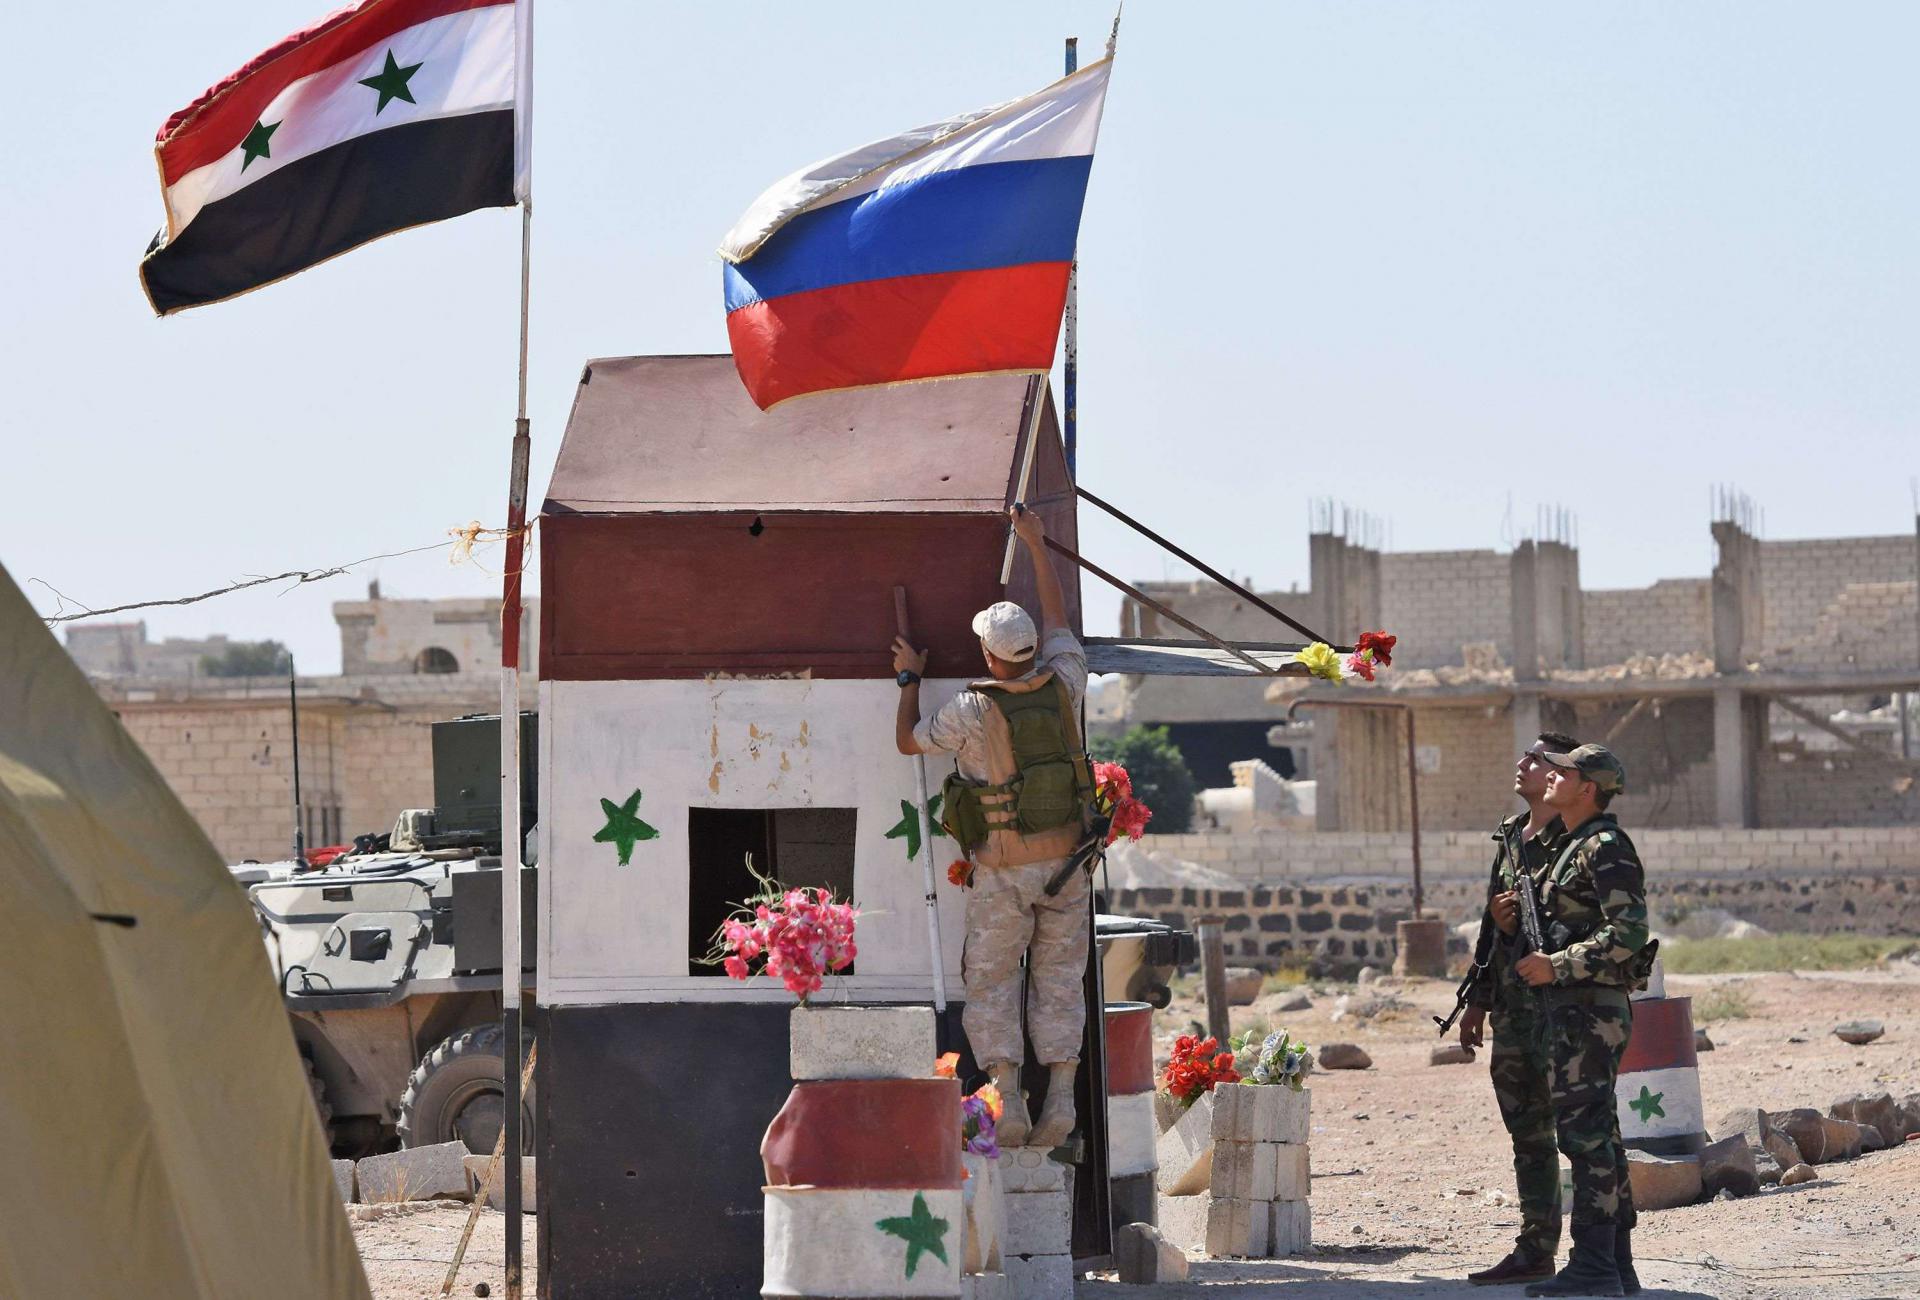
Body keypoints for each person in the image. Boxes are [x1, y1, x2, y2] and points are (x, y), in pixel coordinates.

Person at [891, 504, 1093, 1149]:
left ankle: (1008, 1098)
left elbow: (908, 743)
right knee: (1061, 979)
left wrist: (908, 679)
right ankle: (1060, 1098)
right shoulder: (1066, 681)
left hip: (1004, 871)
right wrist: (1036, 544)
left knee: (993, 979)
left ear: (987, 652)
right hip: (1069, 863)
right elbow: (1059, 618)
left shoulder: (970, 710)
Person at [1515, 743, 1650, 1298]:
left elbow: (1629, 934)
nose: (1552, 777)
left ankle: (1594, 1265)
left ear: (1587, 787)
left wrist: (1559, 965)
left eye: (1564, 772)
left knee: (1585, 1137)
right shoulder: (1572, 846)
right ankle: (1614, 1262)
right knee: (1599, 1136)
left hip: (1591, 1011)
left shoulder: (1605, 846)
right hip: (1574, 1010)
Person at [1461, 731, 1581, 1288]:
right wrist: (1476, 1003)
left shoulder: (1576, 839)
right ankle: (1535, 1247)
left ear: (1562, 774)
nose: (1522, 764)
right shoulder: (1511, 837)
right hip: (1514, 1010)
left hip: (1562, 1009)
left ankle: (1597, 1251)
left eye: (1536, 759)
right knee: (1528, 1134)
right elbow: (1492, 930)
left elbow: (1585, 927)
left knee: (1580, 1133)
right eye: (1526, 756)